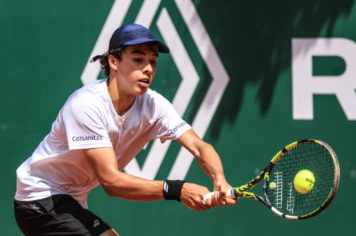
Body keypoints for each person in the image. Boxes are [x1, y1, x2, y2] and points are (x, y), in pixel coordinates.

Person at [14, 24, 237, 236]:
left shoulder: (154, 105)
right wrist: (177, 189)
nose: (148, 69)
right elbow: (111, 182)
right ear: (114, 61)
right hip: (40, 198)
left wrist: (220, 180)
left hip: (73, 200)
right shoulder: (86, 104)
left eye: (153, 61)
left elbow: (200, 147)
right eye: (138, 59)